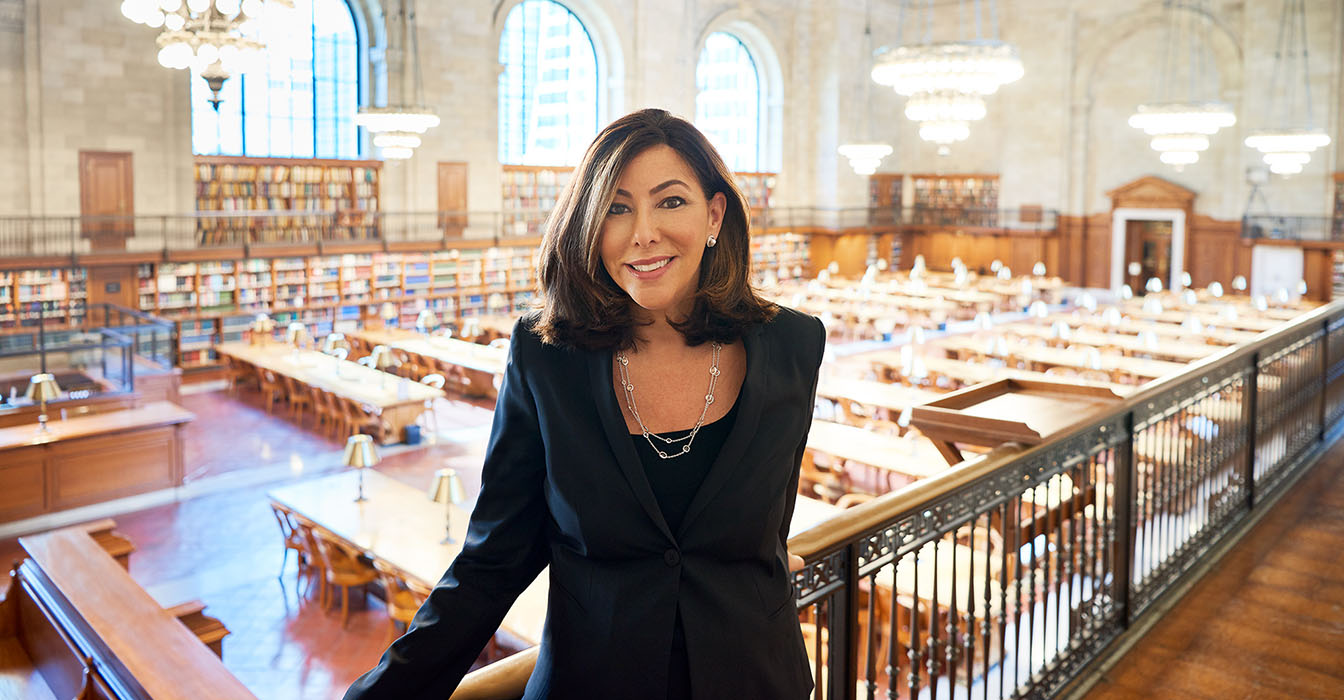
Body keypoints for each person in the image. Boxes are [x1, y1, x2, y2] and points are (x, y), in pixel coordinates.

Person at [344, 108, 824, 700]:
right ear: (591, 227)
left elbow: (767, 531)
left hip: (758, 681)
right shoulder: (547, 358)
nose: (643, 232)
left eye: (670, 201)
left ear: (715, 215)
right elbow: (493, 560)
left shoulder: (795, 346)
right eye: (617, 208)